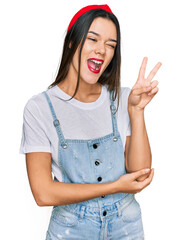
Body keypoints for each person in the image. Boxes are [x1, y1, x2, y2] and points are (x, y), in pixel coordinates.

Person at [19, 4, 162, 240]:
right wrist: (115, 186)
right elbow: (43, 193)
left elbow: (139, 173)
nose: (102, 51)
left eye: (110, 45)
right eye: (93, 39)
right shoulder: (39, 109)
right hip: (70, 231)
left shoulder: (123, 98)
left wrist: (136, 111)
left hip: (127, 228)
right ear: (72, 42)